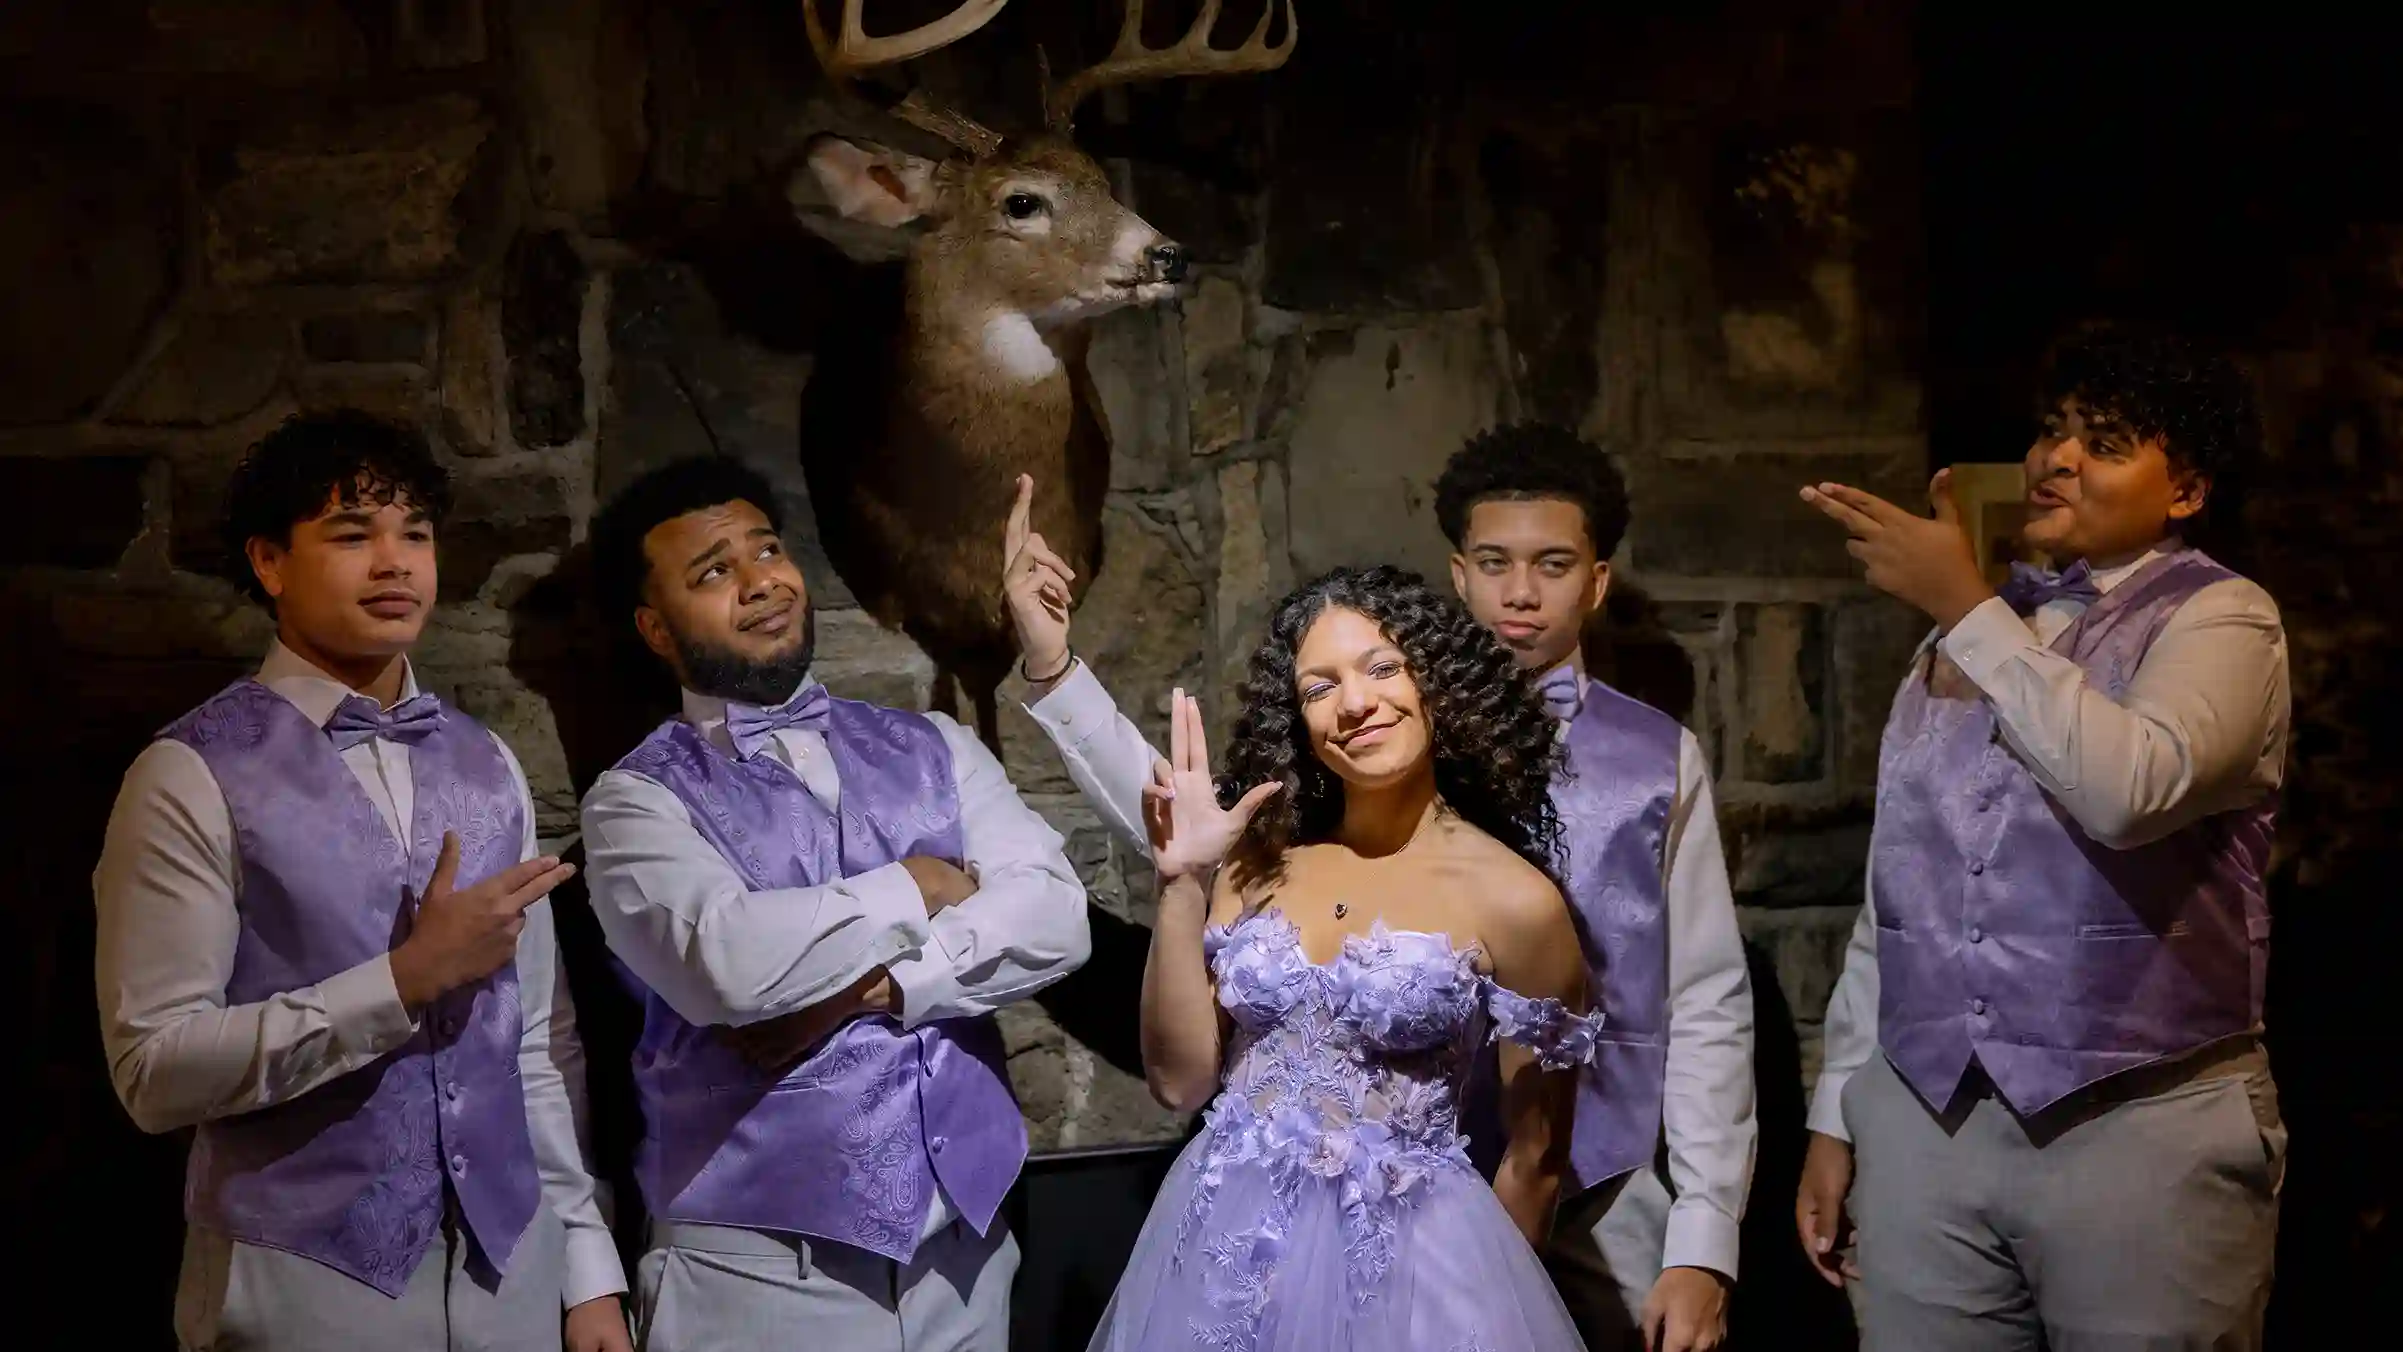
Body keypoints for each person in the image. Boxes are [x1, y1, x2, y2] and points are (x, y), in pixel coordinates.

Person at [1008, 420, 1754, 1352]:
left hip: (1580, 1194)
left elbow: (1705, 1002)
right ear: (1456, 573)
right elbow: (1177, 816)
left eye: (1552, 564)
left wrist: (1705, 1230)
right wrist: (1054, 670)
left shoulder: (1645, 770)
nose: (1519, 592)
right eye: (1493, 561)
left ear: (1594, 579)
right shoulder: (1273, 841)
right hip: (1248, 1251)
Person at [1794, 322, 2289, 1350]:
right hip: (1926, 1123)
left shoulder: (2224, 618)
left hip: (2135, 1123)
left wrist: (1968, 607)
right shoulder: (1973, 627)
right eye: (2051, 433)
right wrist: (1840, 1108)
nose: (2056, 459)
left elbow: (2130, 788)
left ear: (2184, 487)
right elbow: (1903, 890)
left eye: (2103, 443)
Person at [92, 410, 632, 1351]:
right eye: (352, 535)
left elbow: (538, 1042)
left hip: (511, 1273)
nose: (395, 563)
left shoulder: (487, 761)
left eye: (414, 534)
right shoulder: (188, 773)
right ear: (270, 563)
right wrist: (401, 981)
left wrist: (586, 1268)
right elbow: (152, 1071)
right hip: (299, 1284)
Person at [577, 456, 1091, 1352]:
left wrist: (875, 992)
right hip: (758, 1273)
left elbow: (1056, 918)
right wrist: (920, 887)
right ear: (656, 630)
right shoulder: (633, 803)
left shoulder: (933, 742)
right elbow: (728, 966)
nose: (759, 582)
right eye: (713, 571)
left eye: (765, 550)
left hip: (963, 1254)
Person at [1083, 565, 1602, 1351]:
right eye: (1318, 688)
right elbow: (1179, 1081)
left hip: (1412, 1280)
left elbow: (1536, 1159)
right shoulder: (1258, 862)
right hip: (1225, 1264)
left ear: (1437, 683)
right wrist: (1181, 884)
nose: (1355, 704)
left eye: (1382, 668)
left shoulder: (1515, 900)